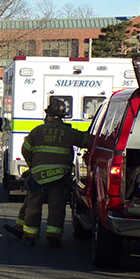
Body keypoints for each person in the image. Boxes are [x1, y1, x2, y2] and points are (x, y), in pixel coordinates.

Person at [19, 99, 88, 248]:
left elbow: (25, 150)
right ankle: (53, 237)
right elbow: (87, 140)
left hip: (37, 177)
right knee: (57, 207)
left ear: (48, 114)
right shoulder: (68, 132)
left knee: (33, 207)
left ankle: (30, 237)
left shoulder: (37, 131)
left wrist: (33, 166)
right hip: (59, 178)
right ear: (62, 116)